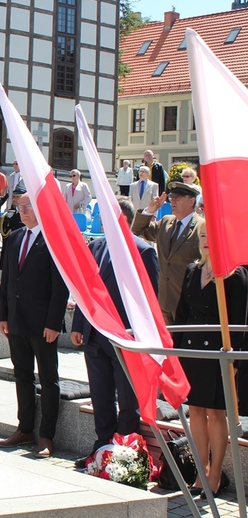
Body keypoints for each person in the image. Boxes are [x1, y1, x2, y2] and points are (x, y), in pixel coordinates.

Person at [71, 197, 159, 467]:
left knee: (126, 397)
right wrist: (77, 324)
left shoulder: (143, 250)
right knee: (100, 394)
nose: (100, 221)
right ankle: (101, 448)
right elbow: (85, 288)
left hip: (125, 337)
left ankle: (125, 452)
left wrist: (140, 335)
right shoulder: (95, 246)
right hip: (95, 333)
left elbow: (150, 298)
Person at [173, 219, 248, 497]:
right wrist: (176, 353)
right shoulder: (193, 270)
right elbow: (181, 315)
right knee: (195, 411)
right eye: (203, 235)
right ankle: (200, 470)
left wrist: (234, 362)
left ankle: (215, 474)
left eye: (211, 236)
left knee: (216, 413)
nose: (206, 240)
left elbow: (240, 322)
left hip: (218, 352)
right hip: (192, 351)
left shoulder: (235, 275)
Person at [0, 193, 68, 457]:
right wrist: (3, 315)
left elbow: (60, 287)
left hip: (42, 324)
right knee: (22, 376)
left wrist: (54, 322)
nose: (23, 211)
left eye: (28, 207)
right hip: (16, 320)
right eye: (20, 207)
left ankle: (46, 436)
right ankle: (24, 428)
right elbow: (7, 281)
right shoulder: (14, 238)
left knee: (48, 379)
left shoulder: (52, 239)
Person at [132, 181, 202, 324]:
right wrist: (149, 211)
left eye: (178, 197)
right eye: (172, 197)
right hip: (164, 299)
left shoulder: (201, 227)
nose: (173, 201)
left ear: (192, 201)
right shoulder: (166, 222)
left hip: (186, 301)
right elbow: (137, 231)